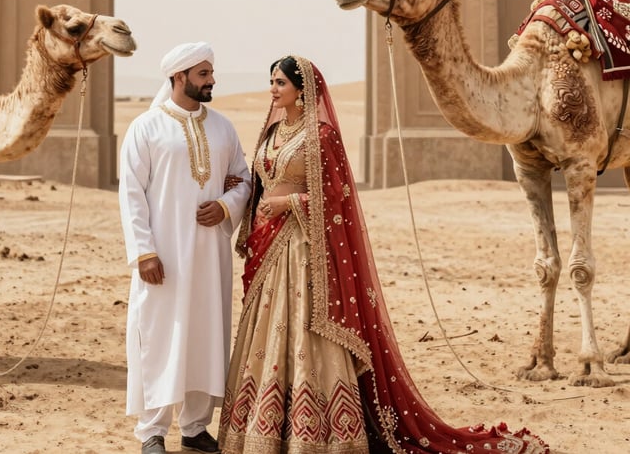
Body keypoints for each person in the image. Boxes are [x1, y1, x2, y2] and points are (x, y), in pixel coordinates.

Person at [217, 55, 550, 454]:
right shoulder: (269, 133)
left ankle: (318, 435)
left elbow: (337, 199)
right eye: (271, 81)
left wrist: (290, 204)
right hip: (271, 248)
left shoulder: (321, 136)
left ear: (301, 90)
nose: (273, 89)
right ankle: (262, 428)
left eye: (280, 82)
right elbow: (259, 183)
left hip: (306, 253)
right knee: (265, 333)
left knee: (306, 331)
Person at [119, 41, 252, 454]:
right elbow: (131, 194)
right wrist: (144, 252)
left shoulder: (223, 127)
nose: (211, 80)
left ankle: (194, 427)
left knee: (205, 335)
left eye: (211, 73)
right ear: (179, 77)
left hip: (209, 256)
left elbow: (243, 178)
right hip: (164, 258)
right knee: (159, 337)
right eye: (203, 74)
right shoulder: (147, 127)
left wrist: (227, 206)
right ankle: (152, 431)